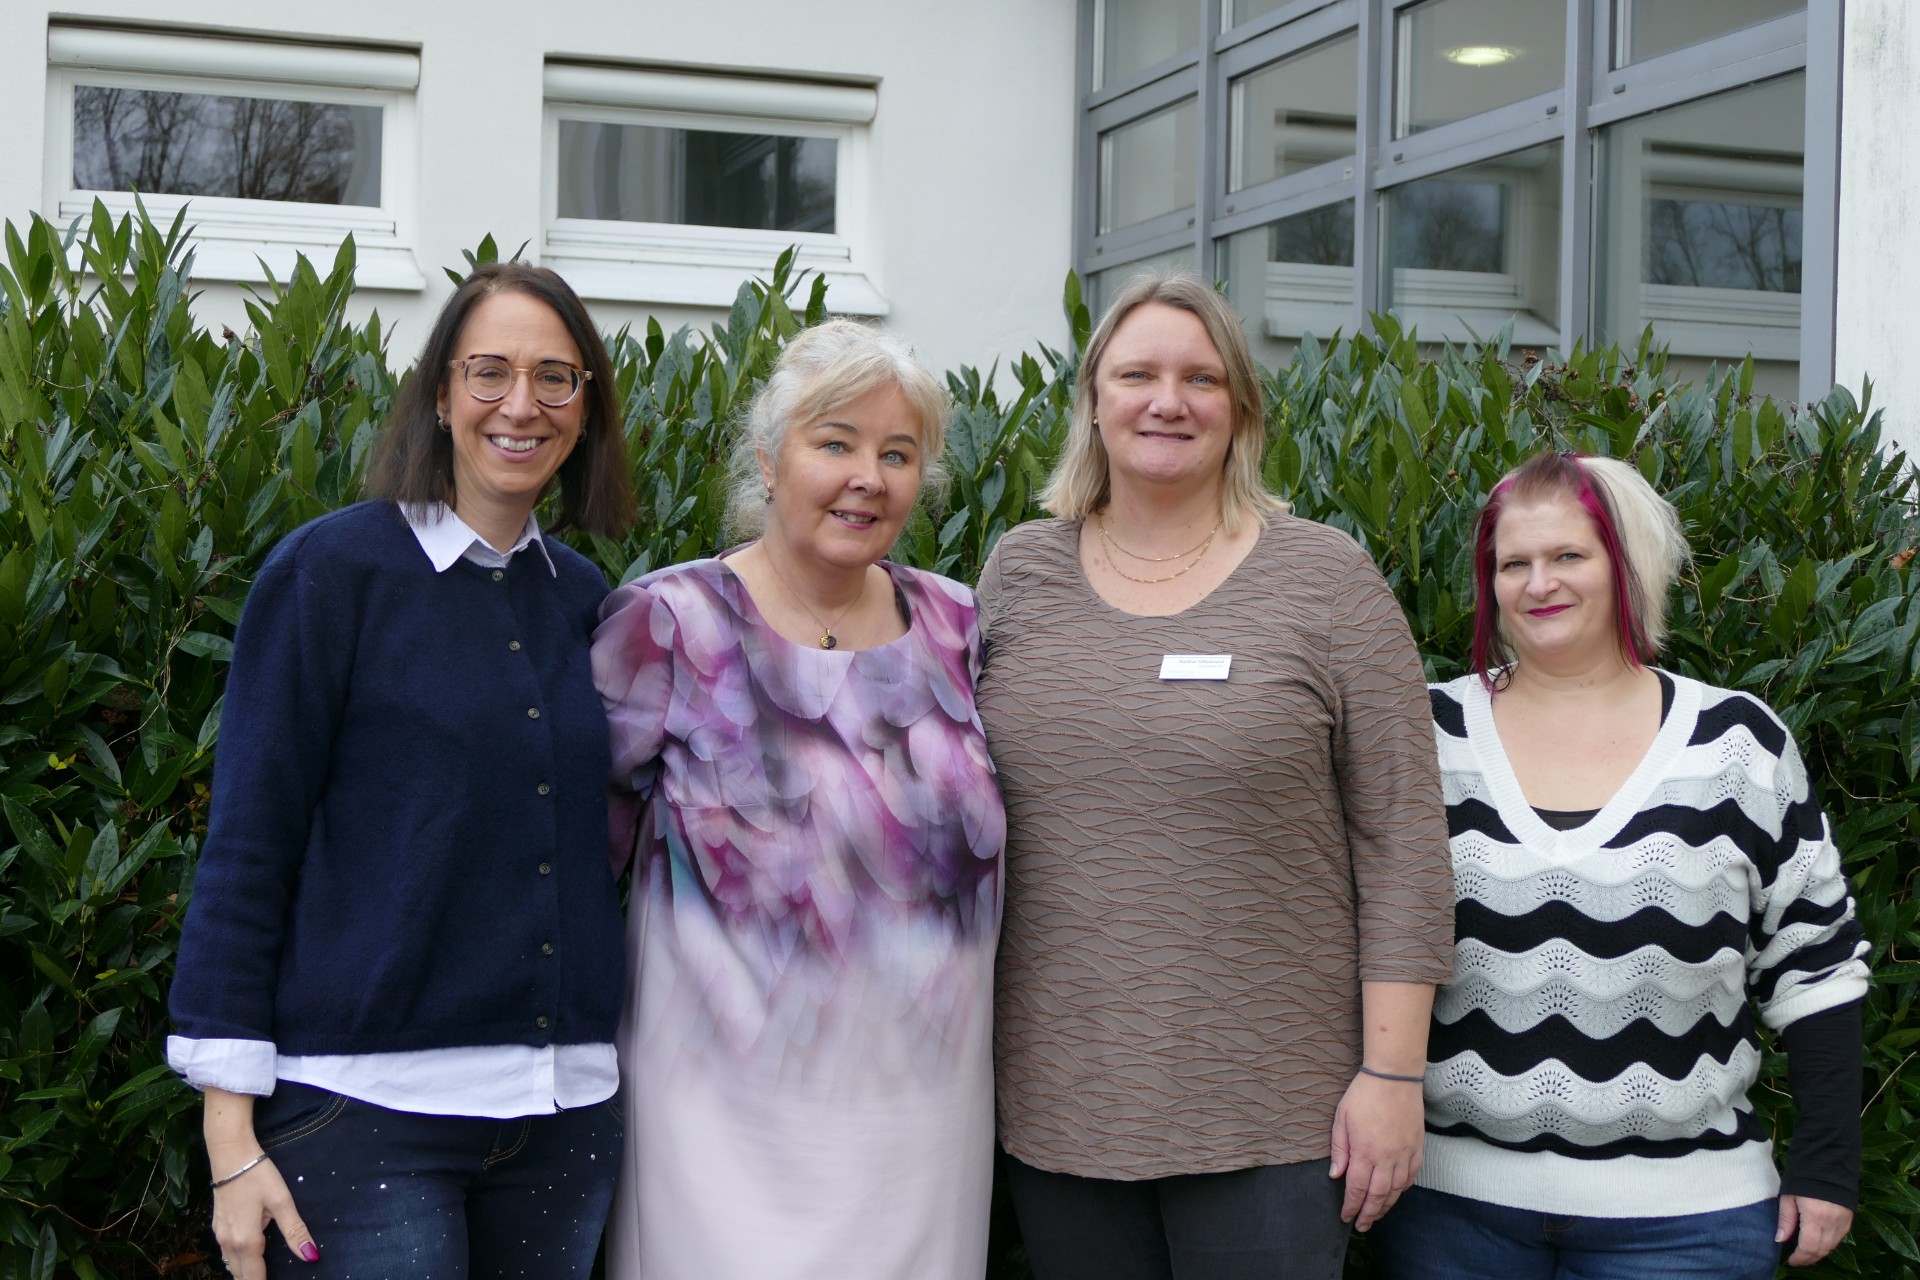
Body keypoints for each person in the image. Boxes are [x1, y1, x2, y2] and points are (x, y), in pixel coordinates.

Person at [976, 271, 1455, 1280]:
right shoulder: (1019, 572)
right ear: (1093, 400)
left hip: (1275, 1113)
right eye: (1137, 375)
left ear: (1240, 407)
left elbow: (1404, 841)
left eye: (1201, 378)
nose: (1168, 401)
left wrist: (1393, 1074)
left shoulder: (1325, 579)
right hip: (1062, 1099)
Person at [167, 263, 635, 1279]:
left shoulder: (583, 598)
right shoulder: (330, 574)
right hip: (366, 1114)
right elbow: (250, 845)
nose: (522, 404)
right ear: (439, 393)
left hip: (563, 1114)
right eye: (489, 372)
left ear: (587, 404)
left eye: (556, 377)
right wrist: (229, 1135)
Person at [1373, 450, 1870, 1280]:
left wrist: (1827, 1167)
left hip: (1690, 1228)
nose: (1539, 584)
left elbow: (1815, 965)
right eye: (1513, 564)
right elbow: (1361, 939)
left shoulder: (1737, 744)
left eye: (1569, 555)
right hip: (1448, 1218)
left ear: (1629, 563)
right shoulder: (1428, 737)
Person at [592, 318, 1006, 1279]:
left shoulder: (958, 626)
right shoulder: (670, 623)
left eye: (897, 454)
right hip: (718, 1128)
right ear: (767, 458)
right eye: (836, 444)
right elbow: (566, 859)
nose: (869, 477)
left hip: (924, 1131)